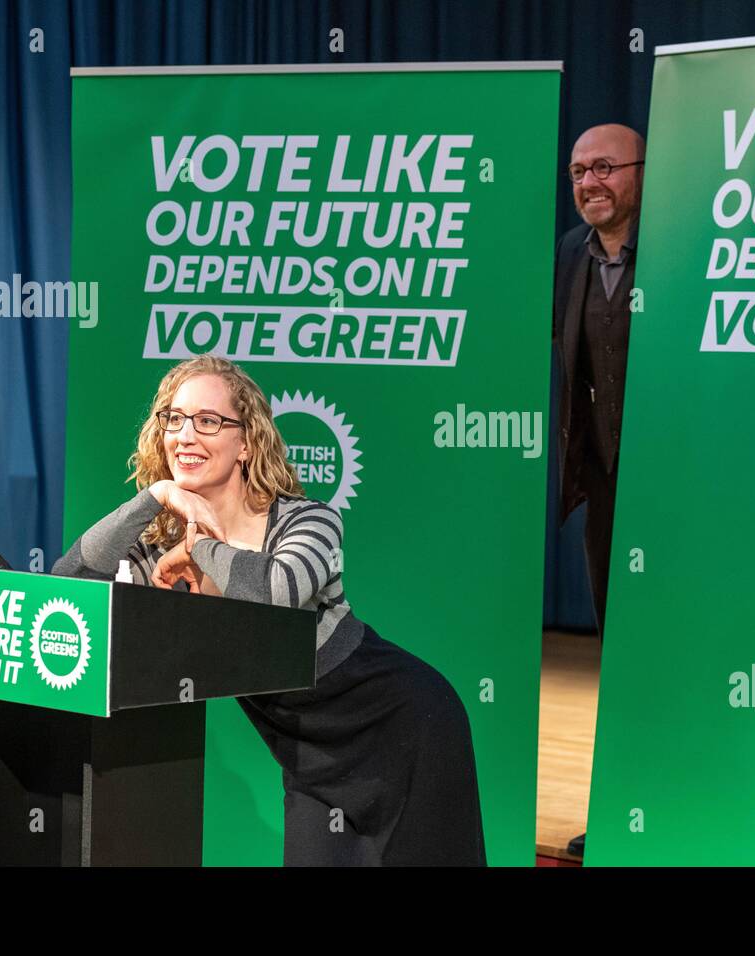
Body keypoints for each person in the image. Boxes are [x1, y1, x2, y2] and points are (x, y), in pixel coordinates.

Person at [51, 355, 486, 866]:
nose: (186, 435)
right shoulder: (158, 543)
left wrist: (200, 549)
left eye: (208, 421)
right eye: (174, 419)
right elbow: (70, 582)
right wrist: (154, 496)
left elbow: (278, 590)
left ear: (246, 443)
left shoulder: (307, 522)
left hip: (407, 725)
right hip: (311, 761)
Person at [552, 123, 645, 858]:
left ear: (644, 173)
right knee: (624, 651)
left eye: (606, 167)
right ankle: (623, 811)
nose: (591, 183)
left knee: (685, 644)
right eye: (580, 170)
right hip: (609, 491)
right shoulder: (568, 256)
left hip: (688, 491)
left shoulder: (685, 244)